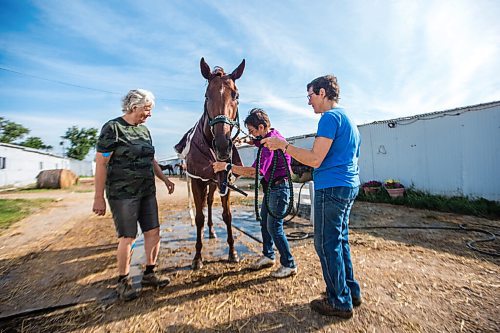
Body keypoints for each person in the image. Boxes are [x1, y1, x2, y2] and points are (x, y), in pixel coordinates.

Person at [261, 75, 361, 318]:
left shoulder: (329, 118)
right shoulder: (347, 118)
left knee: (326, 244)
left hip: (332, 188)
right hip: (348, 185)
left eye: (311, 95)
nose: (308, 102)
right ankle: (349, 291)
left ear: (323, 93)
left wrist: (283, 145)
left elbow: (315, 158)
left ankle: (339, 301)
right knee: (339, 241)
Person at [92, 89, 175, 301]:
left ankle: (150, 273)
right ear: (134, 106)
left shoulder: (145, 131)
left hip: (147, 191)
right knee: (127, 236)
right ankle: (123, 280)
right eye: (147, 109)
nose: (149, 114)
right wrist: (98, 197)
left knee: (153, 232)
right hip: (122, 193)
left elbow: (151, 159)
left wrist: (164, 179)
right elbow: (101, 163)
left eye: (150, 110)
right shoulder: (113, 128)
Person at [213, 108, 298, 278]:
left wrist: (226, 166)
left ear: (261, 127)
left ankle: (289, 264)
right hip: (273, 188)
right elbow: (260, 142)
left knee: (274, 227)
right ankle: (268, 255)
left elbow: (255, 172)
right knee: (265, 222)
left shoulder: (269, 147)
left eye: (252, 131)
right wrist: (250, 141)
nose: (252, 134)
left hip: (279, 189)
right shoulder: (272, 135)